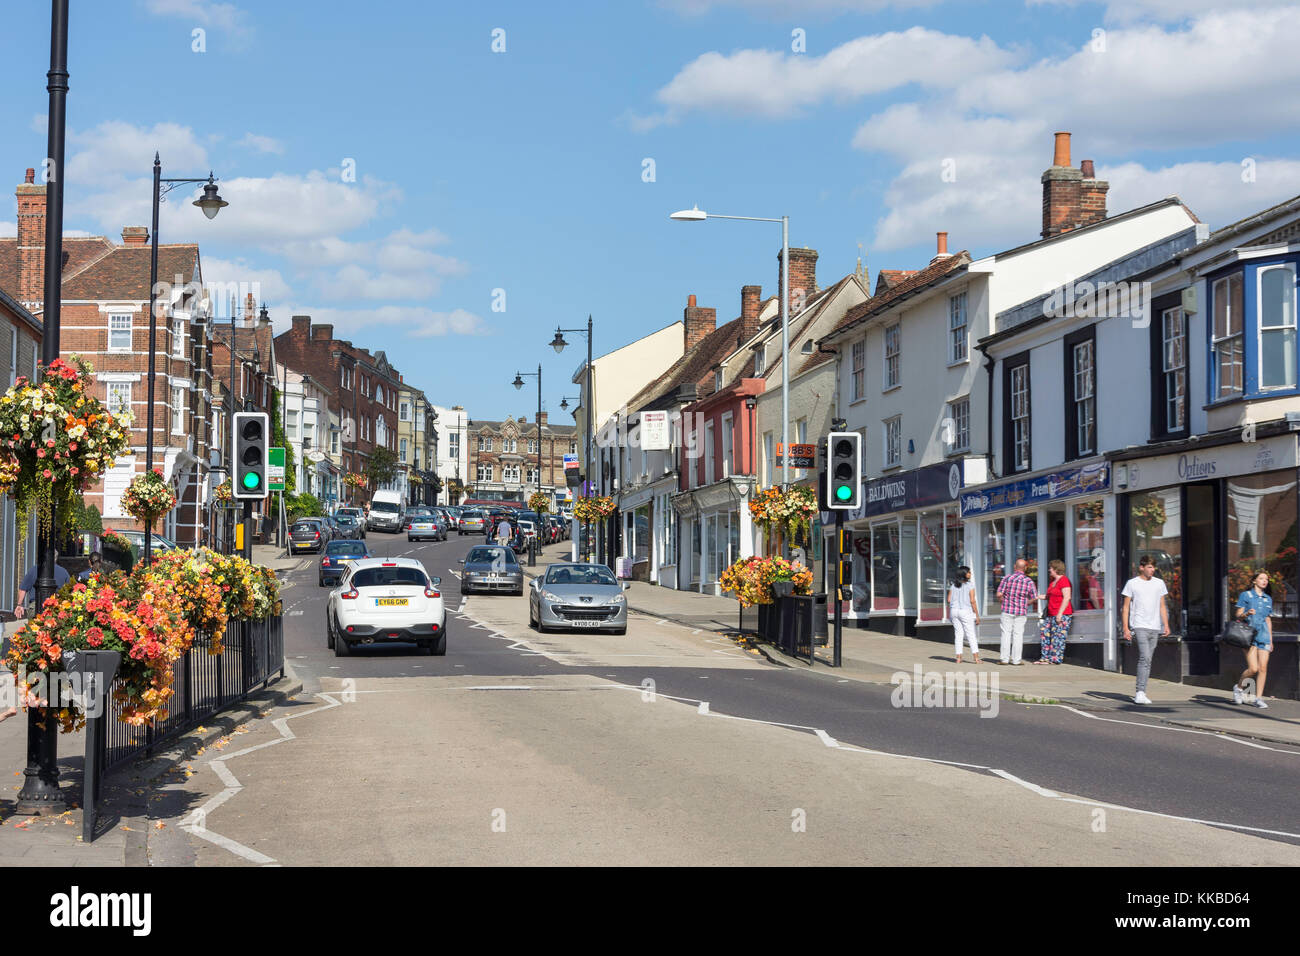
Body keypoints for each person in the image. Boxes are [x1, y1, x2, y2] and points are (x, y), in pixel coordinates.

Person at [1120, 555, 1170, 705]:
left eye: (1153, 567)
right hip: (1139, 625)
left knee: (1148, 660)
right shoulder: (1132, 583)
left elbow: (1162, 606)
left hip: (1155, 626)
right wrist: (1126, 628)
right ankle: (1140, 692)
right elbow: (1126, 607)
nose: (1152, 570)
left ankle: (1142, 691)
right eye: (1149, 567)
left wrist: (1165, 624)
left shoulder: (1159, 583)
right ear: (1141, 568)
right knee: (1145, 657)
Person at [1232, 570, 1274, 709]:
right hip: (1248, 636)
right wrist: (1246, 613)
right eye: (1261, 578)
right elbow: (1238, 615)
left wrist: (1271, 639)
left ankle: (1258, 698)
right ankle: (1238, 688)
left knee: (1263, 668)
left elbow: (1268, 619)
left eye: (1266, 579)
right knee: (1253, 668)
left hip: (1264, 636)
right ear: (1254, 581)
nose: (1264, 581)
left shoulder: (1268, 599)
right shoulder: (1246, 595)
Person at [995, 558, 1038, 665]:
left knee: (1006, 634)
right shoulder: (1029, 581)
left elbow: (999, 594)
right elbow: (1034, 597)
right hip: (1021, 611)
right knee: (1018, 635)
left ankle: (1004, 659)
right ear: (1025, 568)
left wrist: (1002, 601)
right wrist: (1026, 603)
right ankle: (1016, 660)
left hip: (1007, 610)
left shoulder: (1007, 578)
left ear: (1015, 567)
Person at [1034, 559, 1073, 665]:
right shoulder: (1052, 582)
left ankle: (1055, 659)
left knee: (1058, 637)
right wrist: (1036, 597)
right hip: (1050, 614)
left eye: (1050, 568)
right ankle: (1045, 658)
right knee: (1045, 634)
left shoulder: (1064, 580)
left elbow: (1067, 597)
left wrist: (1060, 613)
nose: (1049, 570)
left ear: (1056, 569)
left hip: (1062, 614)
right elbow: (1049, 596)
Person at [14, 551, 71, 619]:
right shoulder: (64, 572)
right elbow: (69, 591)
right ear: (55, 558)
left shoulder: (34, 570)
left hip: (35, 605)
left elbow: (23, 589)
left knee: (34, 627)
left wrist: (19, 605)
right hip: (56, 607)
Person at [948, 565, 980, 664]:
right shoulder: (970, 585)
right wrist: (977, 615)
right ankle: (976, 658)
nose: (970, 574)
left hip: (954, 611)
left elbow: (949, 600)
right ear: (964, 574)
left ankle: (958, 658)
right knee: (971, 634)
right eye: (968, 572)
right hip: (965, 611)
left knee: (958, 634)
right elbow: (972, 601)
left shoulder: (953, 585)